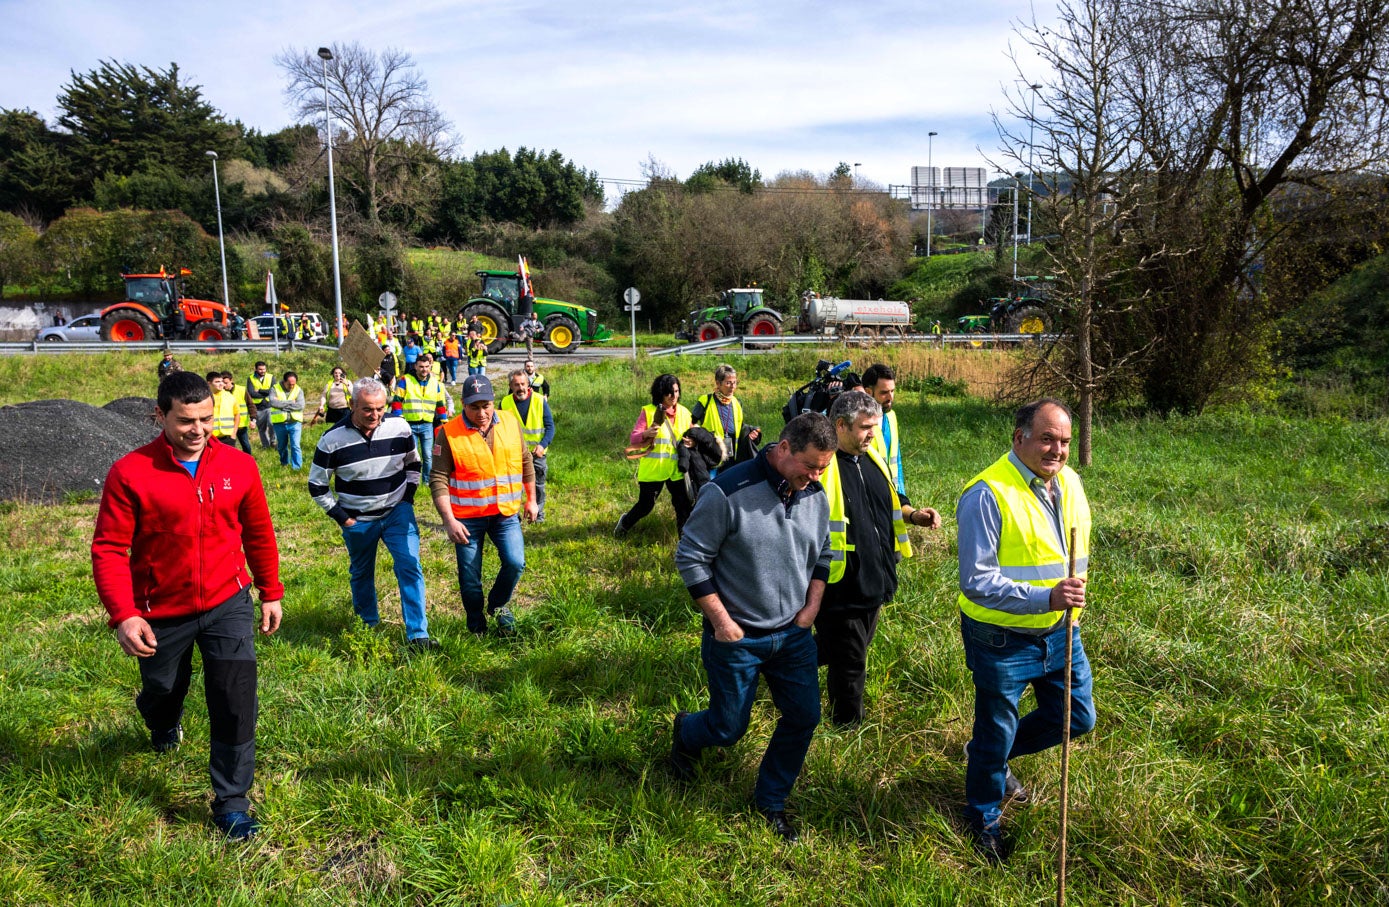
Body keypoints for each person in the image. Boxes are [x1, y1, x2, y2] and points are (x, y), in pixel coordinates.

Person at [91, 371, 283, 840]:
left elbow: (258, 532)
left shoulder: (239, 466)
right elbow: (110, 550)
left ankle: (232, 801)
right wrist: (124, 614)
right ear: (160, 416)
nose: (197, 430)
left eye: (205, 419)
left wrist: (270, 590)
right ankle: (162, 721)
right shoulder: (130, 472)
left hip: (227, 600)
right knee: (162, 690)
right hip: (161, 610)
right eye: (185, 421)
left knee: (235, 698)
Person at [669, 412, 837, 843]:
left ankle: (771, 802)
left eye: (824, 468)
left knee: (804, 717)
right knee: (728, 729)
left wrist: (811, 608)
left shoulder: (816, 493)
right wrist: (722, 622)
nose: (816, 476)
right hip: (736, 636)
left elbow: (823, 552)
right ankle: (687, 730)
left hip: (793, 635)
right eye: (810, 466)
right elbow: (690, 556)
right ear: (783, 449)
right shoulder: (728, 491)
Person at [956, 398, 1095, 863]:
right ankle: (983, 818)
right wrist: (1045, 597)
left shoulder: (1070, 482)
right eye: (1047, 439)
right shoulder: (986, 494)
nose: (1057, 450)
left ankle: (986, 760)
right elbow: (976, 584)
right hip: (1002, 637)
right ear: (1020, 439)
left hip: (1061, 630)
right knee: (997, 731)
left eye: (1065, 442)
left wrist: (1063, 607)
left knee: (1077, 716)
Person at [816, 391, 941, 727]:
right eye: (865, 427)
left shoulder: (873, 459)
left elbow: (892, 502)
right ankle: (847, 727)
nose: (873, 434)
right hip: (842, 584)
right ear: (840, 426)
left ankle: (784, 662)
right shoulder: (822, 468)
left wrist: (915, 516)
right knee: (852, 660)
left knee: (840, 651)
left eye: (876, 426)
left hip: (876, 578)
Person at [309, 378, 437, 650]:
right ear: (352, 405)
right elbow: (317, 486)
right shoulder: (331, 439)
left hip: (396, 513)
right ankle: (367, 626)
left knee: (410, 566)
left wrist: (407, 499)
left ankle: (418, 634)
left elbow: (414, 463)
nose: (375, 415)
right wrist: (343, 517)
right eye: (367, 409)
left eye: (380, 408)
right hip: (358, 520)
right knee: (362, 573)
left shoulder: (399, 427)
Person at [431, 374, 538, 635]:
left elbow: (525, 462)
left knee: (515, 562)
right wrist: (449, 520)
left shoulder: (510, 423)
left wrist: (532, 499)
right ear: (463, 404)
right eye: (474, 407)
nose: (481, 413)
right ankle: (476, 623)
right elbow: (438, 478)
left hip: (505, 513)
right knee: (470, 579)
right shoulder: (447, 433)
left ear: (493, 401)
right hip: (467, 518)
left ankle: (499, 605)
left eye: (486, 405)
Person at [614, 374, 693, 538]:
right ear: (660, 393)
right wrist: (645, 433)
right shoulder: (649, 411)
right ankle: (625, 524)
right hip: (654, 470)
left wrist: (692, 441)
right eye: (670, 393)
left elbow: (693, 434)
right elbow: (634, 438)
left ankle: (683, 540)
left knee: (683, 505)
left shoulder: (685, 412)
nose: (674, 396)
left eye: (677, 391)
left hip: (676, 470)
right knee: (645, 505)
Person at [499, 369, 555, 522]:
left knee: (538, 486)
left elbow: (550, 427)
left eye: (523, 384)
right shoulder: (505, 403)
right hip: (514, 455)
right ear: (511, 385)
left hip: (537, 454)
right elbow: (498, 430)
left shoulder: (539, 400)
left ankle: (538, 515)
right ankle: (513, 517)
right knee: (514, 487)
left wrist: (543, 445)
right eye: (516, 384)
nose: (520, 388)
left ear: (528, 384)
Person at [689, 364, 761, 476]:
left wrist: (751, 432)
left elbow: (740, 426)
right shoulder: (705, 401)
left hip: (732, 457)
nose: (732, 386)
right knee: (711, 488)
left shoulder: (737, 403)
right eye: (728, 383)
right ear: (718, 383)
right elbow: (690, 423)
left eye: (735, 382)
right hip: (711, 456)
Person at [392, 352, 449, 478]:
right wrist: (399, 418)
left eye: (426, 367)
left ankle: (427, 480)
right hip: (409, 424)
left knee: (428, 455)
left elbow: (440, 404)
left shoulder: (435, 383)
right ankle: (413, 479)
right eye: (421, 367)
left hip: (427, 424)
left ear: (430, 367)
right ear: (416, 367)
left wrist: (444, 420)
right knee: (413, 455)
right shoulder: (405, 380)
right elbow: (396, 401)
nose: (424, 369)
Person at [862, 364, 908, 498]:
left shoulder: (891, 416)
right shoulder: (859, 424)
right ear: (868, 392)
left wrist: (901, 495)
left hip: (892, 495)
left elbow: (896, 460)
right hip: (869, 495)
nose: (890, 397)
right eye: (884, 393)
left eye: (892, 391)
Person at [268, 370, 305, 470]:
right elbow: (273, 403)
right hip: (280, 423)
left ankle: (297, 467)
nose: (292, 386)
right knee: (281, 447)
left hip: (295, 422)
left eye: (294, 384)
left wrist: (282, 404)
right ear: (284, 381)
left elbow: (300, 405)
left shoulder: (298, 390)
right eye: (289, 384)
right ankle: (284, 463)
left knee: (295, 445)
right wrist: (290, 402)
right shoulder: (275, 389)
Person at [246, 361, 275, 449]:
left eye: (264, 369)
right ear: (256, 369)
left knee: (271, 424)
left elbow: (273, 391)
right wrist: (266, 392)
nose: (262, 371)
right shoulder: (250, 378)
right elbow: (251, 393)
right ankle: (265, 445)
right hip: (258, 407)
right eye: (260, 369)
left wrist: (259, 390)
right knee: (261, 428)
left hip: (269, 405)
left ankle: (273, 441)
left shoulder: (271, 377)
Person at [222, 371, 253, 453]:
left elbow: (250, 405)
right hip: (227, 426)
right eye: (222, 383)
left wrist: (253, 419)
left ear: (231, 380)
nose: (224, 385)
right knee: (230, 447)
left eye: (226, 383)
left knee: (245, 445)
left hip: (241, 425)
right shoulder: (220, 393)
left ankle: (248, 461)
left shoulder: (242, 390)